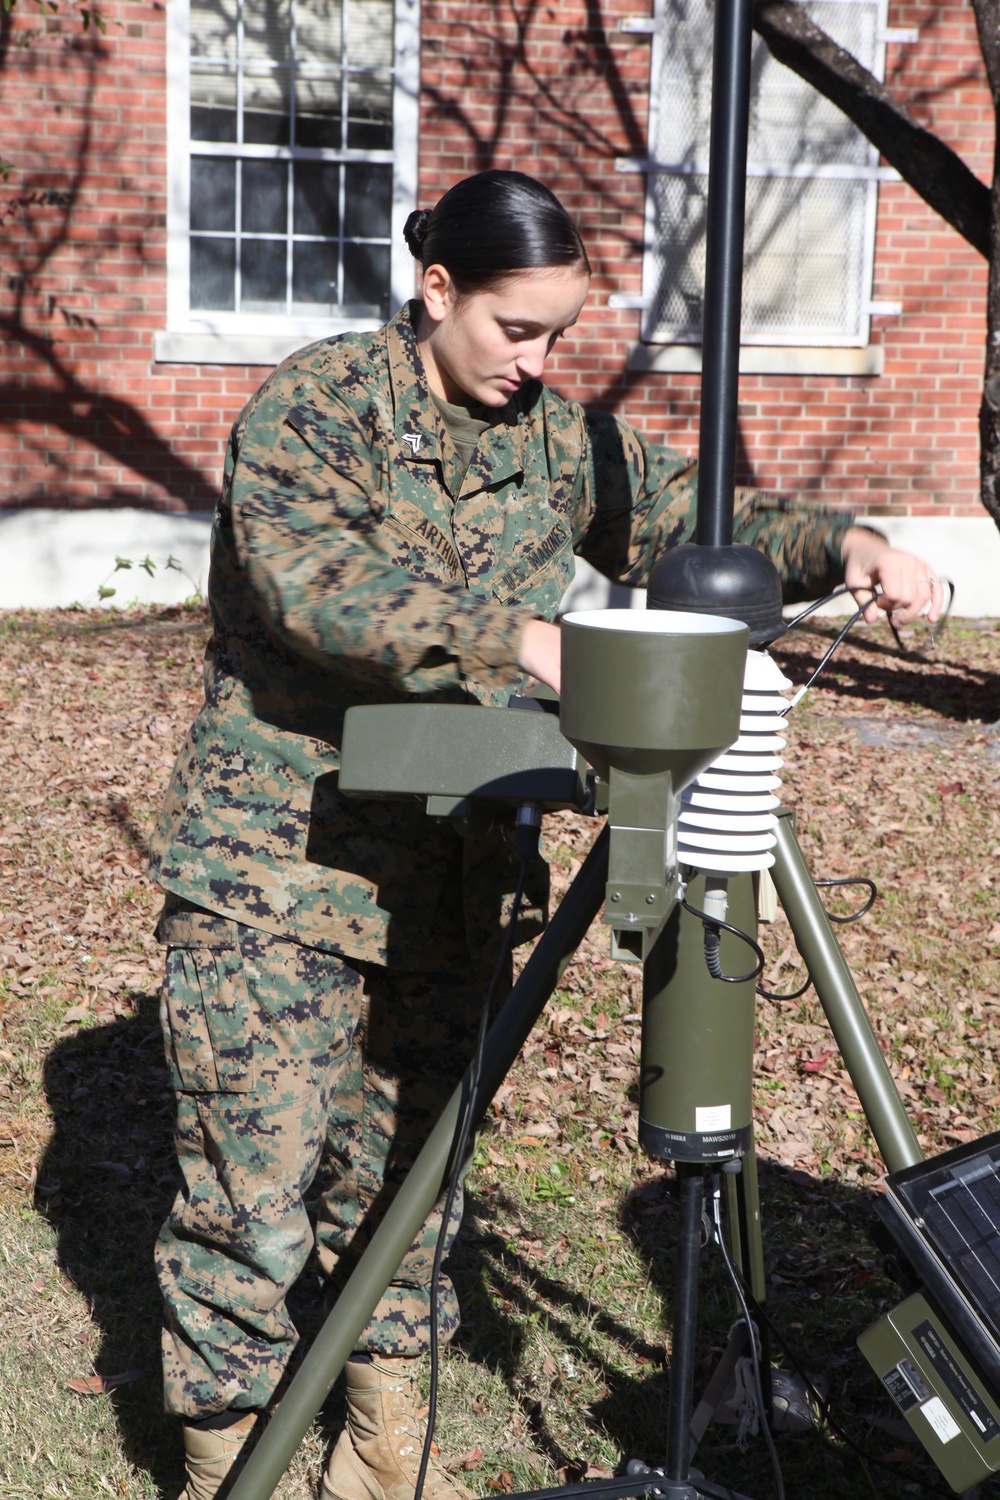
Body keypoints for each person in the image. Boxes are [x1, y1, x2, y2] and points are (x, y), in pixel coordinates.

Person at [148, 169, 941, 1500]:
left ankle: (380, 1452)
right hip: (279, 862)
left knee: (411, 1178)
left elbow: (696, 519)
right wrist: (517, 637)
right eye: (517, 329)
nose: (537, 361)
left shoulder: (556, 442)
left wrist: (843, 544)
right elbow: (311, 587)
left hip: (456, 866)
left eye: (559, 336)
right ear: (438, 289)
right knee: (251, 1194)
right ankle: (235, 1455)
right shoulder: (321, 405)